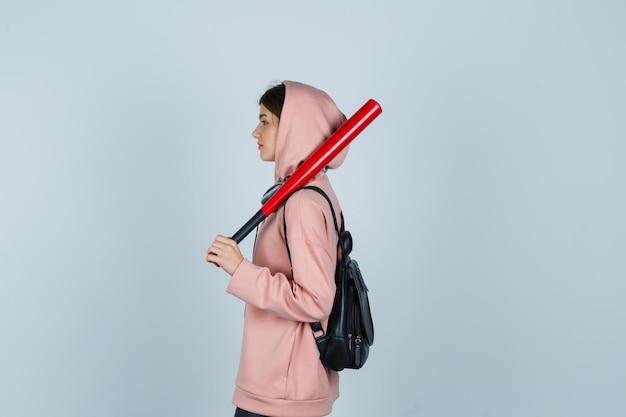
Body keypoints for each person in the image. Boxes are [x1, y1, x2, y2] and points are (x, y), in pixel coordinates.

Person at [206, 81, 348, 417]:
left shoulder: (301, 204)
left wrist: (240, 270)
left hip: (282, 391)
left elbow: (315, 299)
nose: (256, 132)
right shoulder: (308, 192)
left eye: (266, 121)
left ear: (294, 128)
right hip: (284, 382)